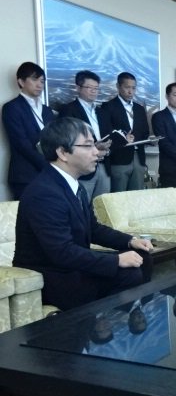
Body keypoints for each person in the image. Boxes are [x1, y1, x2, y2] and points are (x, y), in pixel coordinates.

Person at [12, 117, 153, 311]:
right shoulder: (44, 193)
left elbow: (93, 229)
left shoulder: (73, 185)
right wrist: (116, 260)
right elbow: (62, 252)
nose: (96, 151)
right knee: (129, 274)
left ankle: (127, 318)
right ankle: (100, 322)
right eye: (88, 146)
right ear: (63, 152)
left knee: (142, 257)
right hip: (51, 277)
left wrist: (130, 241)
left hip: (72, 267)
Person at [2, 61, 56, 199]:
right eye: (34, 79)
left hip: (50, 174)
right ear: (21, 81)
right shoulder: (11, 108)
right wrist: (47, 165)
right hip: (25, 175)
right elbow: (21, 143)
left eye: (42, 81)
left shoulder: (47, 110)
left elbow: (55, 138)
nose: (39, 85)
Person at [58, 70, 112, 200]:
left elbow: (109, 136)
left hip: (104, 166)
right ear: (78, 88)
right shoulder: (68, 110)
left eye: (96, 88)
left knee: (103, 206)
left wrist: (106, 150)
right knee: (81, 204)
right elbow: (67, 140)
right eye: (89, 87)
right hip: (82, 168)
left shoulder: (102, 112)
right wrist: (94, 147)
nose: (93, 91)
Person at [101, 72, 150, 192]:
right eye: (127, 87)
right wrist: (123, 138)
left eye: (133, 88)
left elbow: (145, 131)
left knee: (136, 196)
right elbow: (106, 133)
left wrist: (144, 138)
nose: (130, 91)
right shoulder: (108, 107)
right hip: (119, 159)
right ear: (118, 86)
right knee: (119, 196)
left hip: (138, 158)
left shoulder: (139, 109)